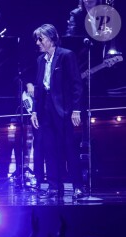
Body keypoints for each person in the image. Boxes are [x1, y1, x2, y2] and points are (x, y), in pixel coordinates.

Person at [29, 24, 85, 199]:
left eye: (41, 38)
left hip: (64, 109)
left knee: (69, 149)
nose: (38, 42)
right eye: (37, 39)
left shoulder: (66, 55)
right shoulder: (40, 60)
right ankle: (54, 186)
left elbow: (76, 84)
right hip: (45, 108)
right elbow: (38, 87)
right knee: (49, 149)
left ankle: (78, 186)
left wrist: (76, 109)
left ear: (52, 38)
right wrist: (34, 111)